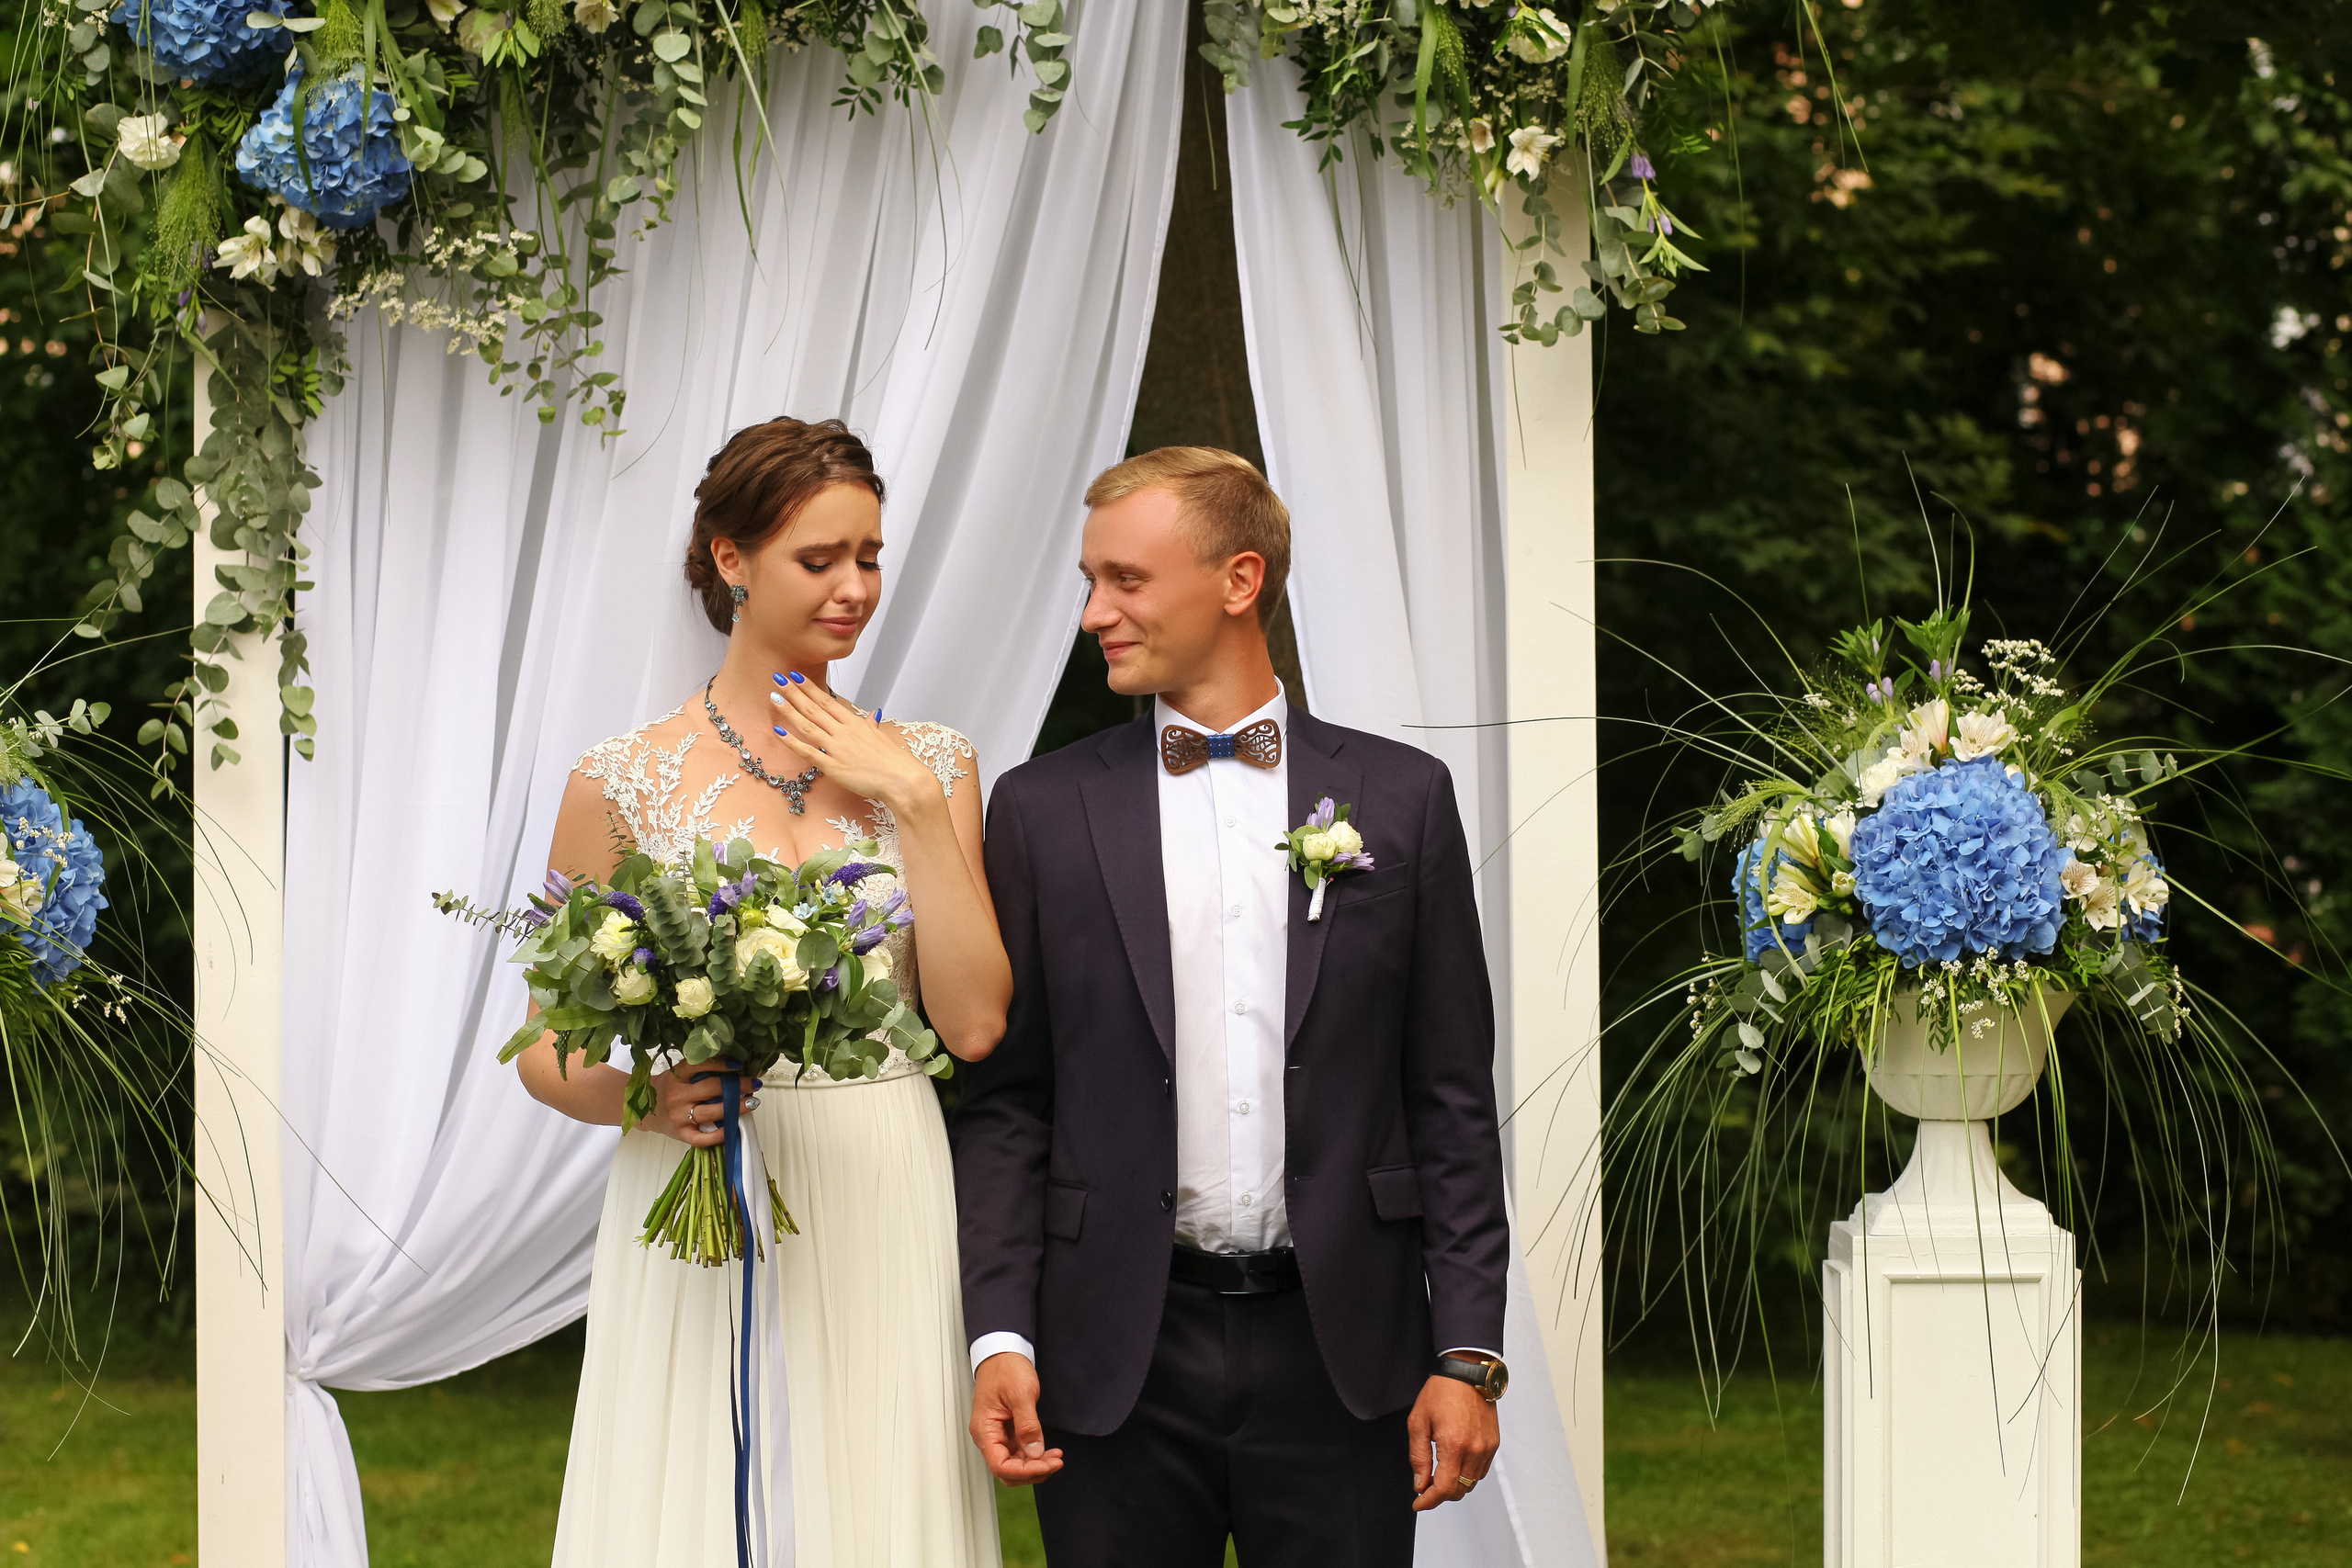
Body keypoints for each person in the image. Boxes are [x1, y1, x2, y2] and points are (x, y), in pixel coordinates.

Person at [955, 447, 1514, 1566]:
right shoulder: (1038, 810)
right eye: (1089, 581)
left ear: (1239, 580)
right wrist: (1000, 1333)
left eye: (1124, 580)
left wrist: (1466, 1355)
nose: (1092, 614)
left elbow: (1448, 1095)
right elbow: (1005, 1105)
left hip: (1342, 1346)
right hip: (1113, 1349)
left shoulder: (1402, 801)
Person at [526, 416, 1010, 1567]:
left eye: (871, 557)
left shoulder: (934, 765)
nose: (854, 588)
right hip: (704, 1174)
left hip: (881, 1171)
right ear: (731, 560)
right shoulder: (621, 779)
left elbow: (977, 1020)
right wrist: (641, 1100)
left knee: (878, 1496)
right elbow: (545, 1045)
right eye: (819, 559)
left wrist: (916, 805)